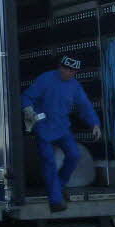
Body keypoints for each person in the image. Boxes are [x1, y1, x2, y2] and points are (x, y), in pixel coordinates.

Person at [22, 55, 102, 212]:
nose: (68, 72)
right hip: (43, 126)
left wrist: (95, 124)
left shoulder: (74, 86)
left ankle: (58, 187)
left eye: (72, 71)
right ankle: (56, 200)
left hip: (62, 127)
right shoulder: (45, 79)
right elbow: (26, 96)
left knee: (74, 155)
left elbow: (84, 105)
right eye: (66, 69)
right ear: (60, 67)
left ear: (75, 72)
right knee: (49, 160)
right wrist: (28, 109)